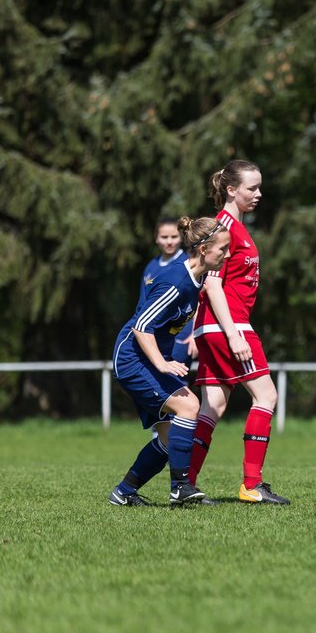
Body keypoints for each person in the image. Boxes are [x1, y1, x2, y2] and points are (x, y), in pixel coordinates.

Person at [187, 160, 290, 505]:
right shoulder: (224, 227)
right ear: (231, 190)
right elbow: (212, 284)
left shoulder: (232, 225)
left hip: (211, 326)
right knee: (267, 397)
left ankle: (184, 484)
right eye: (251, 188)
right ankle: (252, 484)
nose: (258, 194)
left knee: (213, 405)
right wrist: (233, 335)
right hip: (228, 325)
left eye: (259, 187)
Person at [109, 217, 230, 506]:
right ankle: (181, 488)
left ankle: (123, 493)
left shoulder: (197, 278)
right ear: (203, 250)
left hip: (147, 359)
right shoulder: (176, 282)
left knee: (167, 440)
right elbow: (141, 326)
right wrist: (162, 364)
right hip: (132, 360)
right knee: (189, 406)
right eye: (222, 249)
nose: (226, 255)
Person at [141, 217, 198, 366]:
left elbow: (201, 298)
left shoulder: (189, 262)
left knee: (175, 380)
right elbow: (144, 303)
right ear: (156, 239)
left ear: (181, 237)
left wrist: (195, 334)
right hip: (153, 333)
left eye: (174, 236)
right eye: (164, 237)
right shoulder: (151, 267)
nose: (169, 241)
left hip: (181, 333)